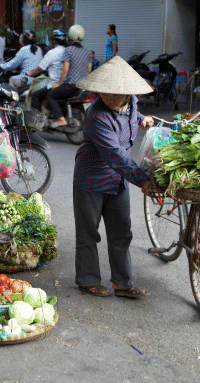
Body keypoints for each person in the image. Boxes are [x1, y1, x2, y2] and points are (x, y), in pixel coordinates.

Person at [73, 56, 154, 298]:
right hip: (92, 180)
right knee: (89, 233)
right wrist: (142, 180)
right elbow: (115, 155)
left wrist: (142, 120)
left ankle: (123, 283)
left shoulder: (132, 103)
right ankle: (87, 280)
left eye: (115, 93)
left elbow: (132, 115)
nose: (108, 97)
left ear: (128, 93)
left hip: (119, 180)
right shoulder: (97, 116)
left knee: (121, 232)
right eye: (103, 92)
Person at [46, 25, 91, 128]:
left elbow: (65, 69)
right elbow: (89, 69)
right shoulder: (86, 51)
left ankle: (61, 120)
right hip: (83, 86)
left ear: (70, 36)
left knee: (50, 95)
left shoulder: (69, 50)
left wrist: (58, 83)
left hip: (71, 85)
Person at [26, 29, 66, 112]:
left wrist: (31, 74)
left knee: (35, 96)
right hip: (67, 85)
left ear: (54, 40)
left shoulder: (52, 52)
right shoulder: (68, 51)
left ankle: (37, 121)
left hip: (55, 85)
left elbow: (40, 67)